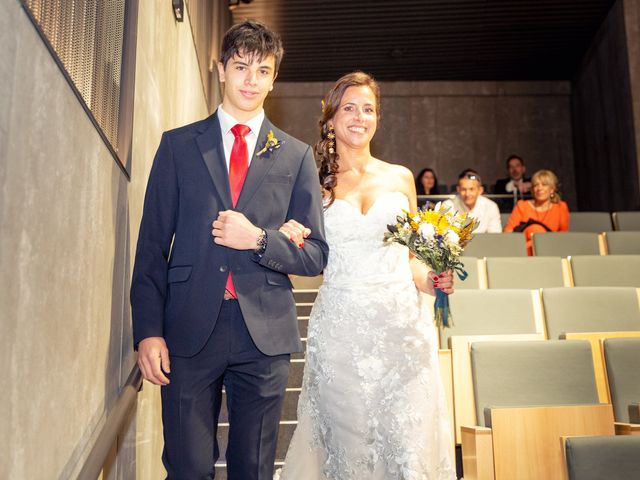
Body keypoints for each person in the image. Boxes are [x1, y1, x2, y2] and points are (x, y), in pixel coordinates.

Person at [131, 21, 329, 479]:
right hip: (187, 329)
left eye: (262, 70)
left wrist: (260, 239)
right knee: (187, 467)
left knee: (253, 469)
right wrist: (148, 331)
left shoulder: (296, 155)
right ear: (221, 69)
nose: (250, 80)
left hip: (264, 333)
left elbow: (316, 254)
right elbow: (151, 248)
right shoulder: (178, 147)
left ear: (274, 78)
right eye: (240, 67)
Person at [277, 72, 456, 479]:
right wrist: (288, 238)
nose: (360, 117)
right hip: (342, 332)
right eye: (350, 108)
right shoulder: (312, 184)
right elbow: (306, 254)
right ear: (331, 118)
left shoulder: (401, 177)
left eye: (369, 109)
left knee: (406, 445)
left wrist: (435, 280)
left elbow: (413, 259)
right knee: (348, 450)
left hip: (402, 329)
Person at [503, 169, 569, 255]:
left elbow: (563, 236)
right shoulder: (522, 206)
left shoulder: (561, 207)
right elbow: (508, 231)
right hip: (523, 251)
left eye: (544, 185)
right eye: (536, 185)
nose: (539, 188)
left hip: (551, 251)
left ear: (552, 189)